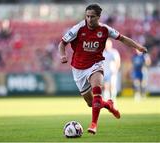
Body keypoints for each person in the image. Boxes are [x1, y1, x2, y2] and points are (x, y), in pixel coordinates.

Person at [58, 4, 147, 134]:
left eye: (92, 17)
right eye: (87, 16)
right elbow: (62, 43)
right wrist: (63, 55)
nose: (89, 19)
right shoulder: (78, 28)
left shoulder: (105, 30)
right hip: (78, 68)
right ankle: (108, 105)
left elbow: (122, 38)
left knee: (97, 92)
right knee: (91, 103)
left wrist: (138, 47)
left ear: (99, 17)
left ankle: (93, 124)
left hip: (96, 64)